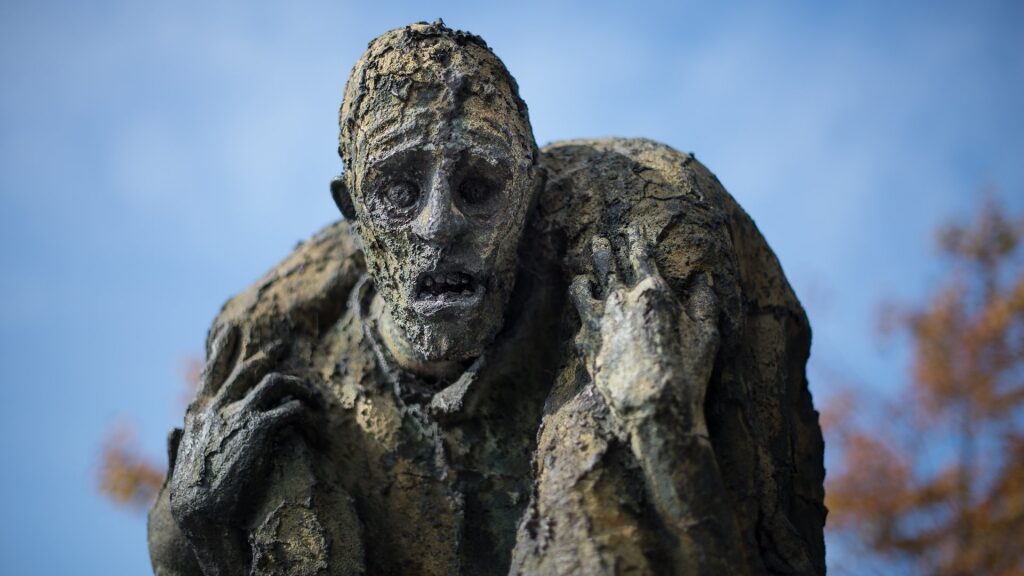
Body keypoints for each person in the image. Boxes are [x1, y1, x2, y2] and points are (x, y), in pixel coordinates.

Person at [149, 20, 826, 576]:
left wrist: (658, 419)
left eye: (478, 187)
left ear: (530, 197)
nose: (438, 225)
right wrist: (198, 527)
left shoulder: (618, 309)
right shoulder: (297, 371)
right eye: (397, 192)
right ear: (352, 213)